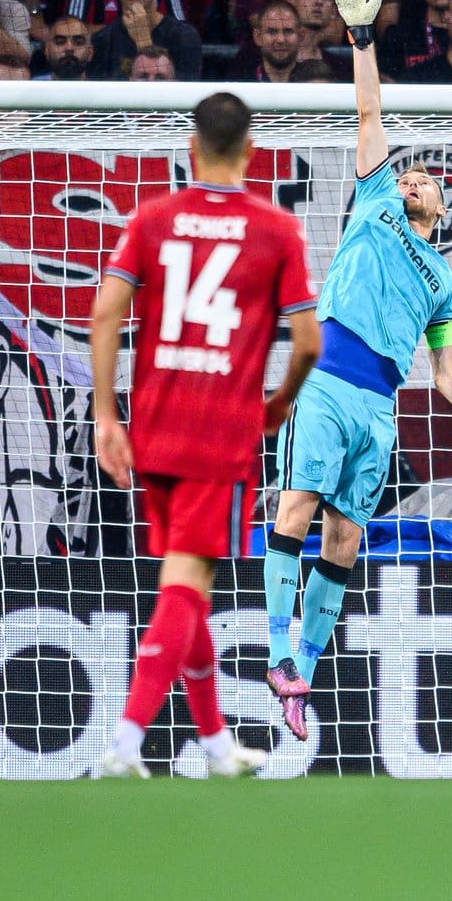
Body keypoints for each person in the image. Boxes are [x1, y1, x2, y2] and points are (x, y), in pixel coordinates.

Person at [259, 0, 452, 740]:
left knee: (346, 539)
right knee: (295, 511)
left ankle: (301, 678)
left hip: (377, 409)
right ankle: (277, 652)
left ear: (443, 208)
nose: (413, 177)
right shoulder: (375, 201)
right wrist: (362, 36)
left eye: (427, 179)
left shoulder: (443, 281)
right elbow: (370, 109)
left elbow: (446, 374)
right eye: (407, 171)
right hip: (327, 382)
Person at [89, 91, 323, 780]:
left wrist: (106, 415)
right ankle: (126, 742)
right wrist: (280, 402)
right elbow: (308, 341)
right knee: (186, 584)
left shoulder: (151, 218)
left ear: (191, 148)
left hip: (157, 425)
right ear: (251, 151)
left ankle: (217, 744)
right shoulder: (276, 229)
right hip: (221, 431)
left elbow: (104, 316)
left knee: (189, 577)